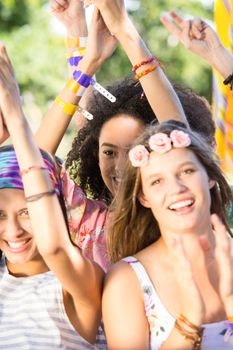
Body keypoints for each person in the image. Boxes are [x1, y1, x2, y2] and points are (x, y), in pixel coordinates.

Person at [35, 0, 217, 272]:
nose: (121, 165)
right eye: (108, 152)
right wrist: (84, 55)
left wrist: (126, 32)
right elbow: (32, 164)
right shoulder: (91, 224)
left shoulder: (182, 209)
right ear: (93, 156)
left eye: (134, 150)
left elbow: (177, 132)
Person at [0, 44, 105, 349]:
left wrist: (17, 118)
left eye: (27, 212)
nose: (13, 230)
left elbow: (55, 248)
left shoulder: (77, 282)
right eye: (0, 216)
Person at [103, 120, 233, 349]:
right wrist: (190, 320)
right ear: (144, 198)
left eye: (187, 171)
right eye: (157, 181)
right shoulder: (127, 280)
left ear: (210, 177)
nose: (176, 188)